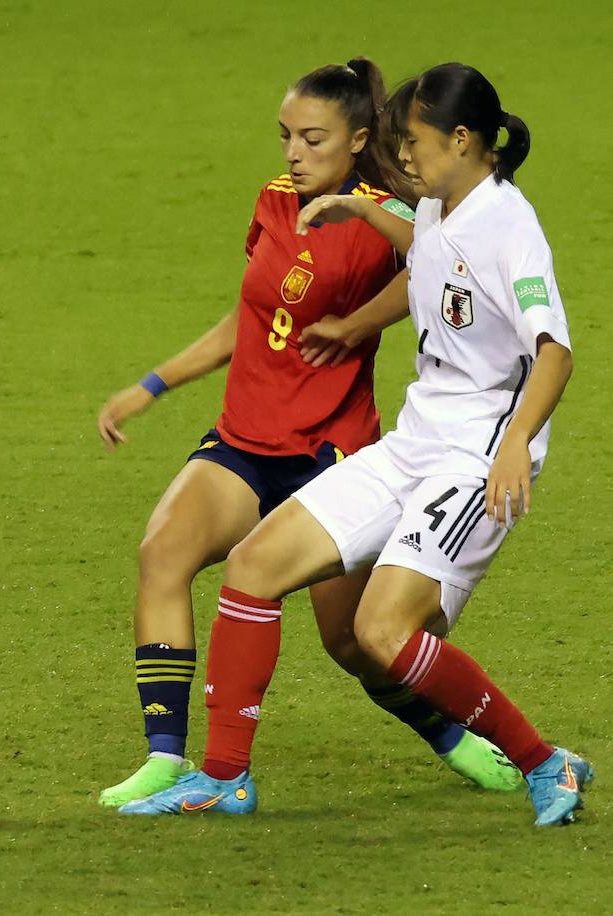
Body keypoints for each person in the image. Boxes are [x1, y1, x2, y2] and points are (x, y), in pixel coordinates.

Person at [123, 62, 594, 826]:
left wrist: (514, 444)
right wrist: (361, 211)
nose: (403, 159)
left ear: (464, 139)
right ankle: (222, 778)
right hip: (416, 438)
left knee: (381, 631)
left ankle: (547, 766)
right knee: (253, 566)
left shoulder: (513, 228)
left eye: (413, 143)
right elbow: (434, 254)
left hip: (476, 457)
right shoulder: (446, 202)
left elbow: (555, 351)